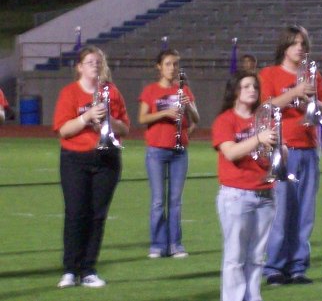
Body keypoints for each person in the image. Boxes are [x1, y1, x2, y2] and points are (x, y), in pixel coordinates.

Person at [260, 25, 322, 285]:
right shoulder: (269, 73)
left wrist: (313, 101)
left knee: (304, 213)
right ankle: (274, 268)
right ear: (284, 46)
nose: (300, 47)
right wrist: (295, 93)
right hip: (281, 149)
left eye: (303, 43)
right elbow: (265, 106)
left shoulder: (314, 76)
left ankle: (298, 266)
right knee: (281, 212)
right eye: (295, 43)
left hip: (308, 148)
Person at [53, 46, 130, 288]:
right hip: (75, 159)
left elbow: (126, 129)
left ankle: (88, 269)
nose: (94, 65)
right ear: (79, 67)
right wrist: (87, 117)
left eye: (98, 61)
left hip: (106, 159)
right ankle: (70, 269)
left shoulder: (112, 92)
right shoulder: (70, 93)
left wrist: (110, 120)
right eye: (89, 62)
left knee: (97, 216)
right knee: (76, 214)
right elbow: (63, 130)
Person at [212, 70, 276, 301]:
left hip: (265, 194)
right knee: (235, 257)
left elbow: (282, 155)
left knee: (257, 256)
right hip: (236, 195)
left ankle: (253, 297)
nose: (252, 90)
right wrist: (259, 139)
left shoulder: (265, 120)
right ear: (235, 91)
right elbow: (230, 152)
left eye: (255, 87)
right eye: (246, 86)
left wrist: (279, 149)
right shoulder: (225, 120)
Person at [138, 48, 199, 258]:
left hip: (179, 151)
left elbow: (196, 119)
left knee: (175, 200)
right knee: (157, 201)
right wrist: (164, 112)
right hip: (156, 149)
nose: (172, 68)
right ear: (159, 67)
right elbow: (142, 118)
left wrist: (187, 106)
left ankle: (175, 245)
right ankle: (157, 244)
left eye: (175, 64)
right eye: (167, 64)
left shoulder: (184, 89)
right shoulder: (150, 90)